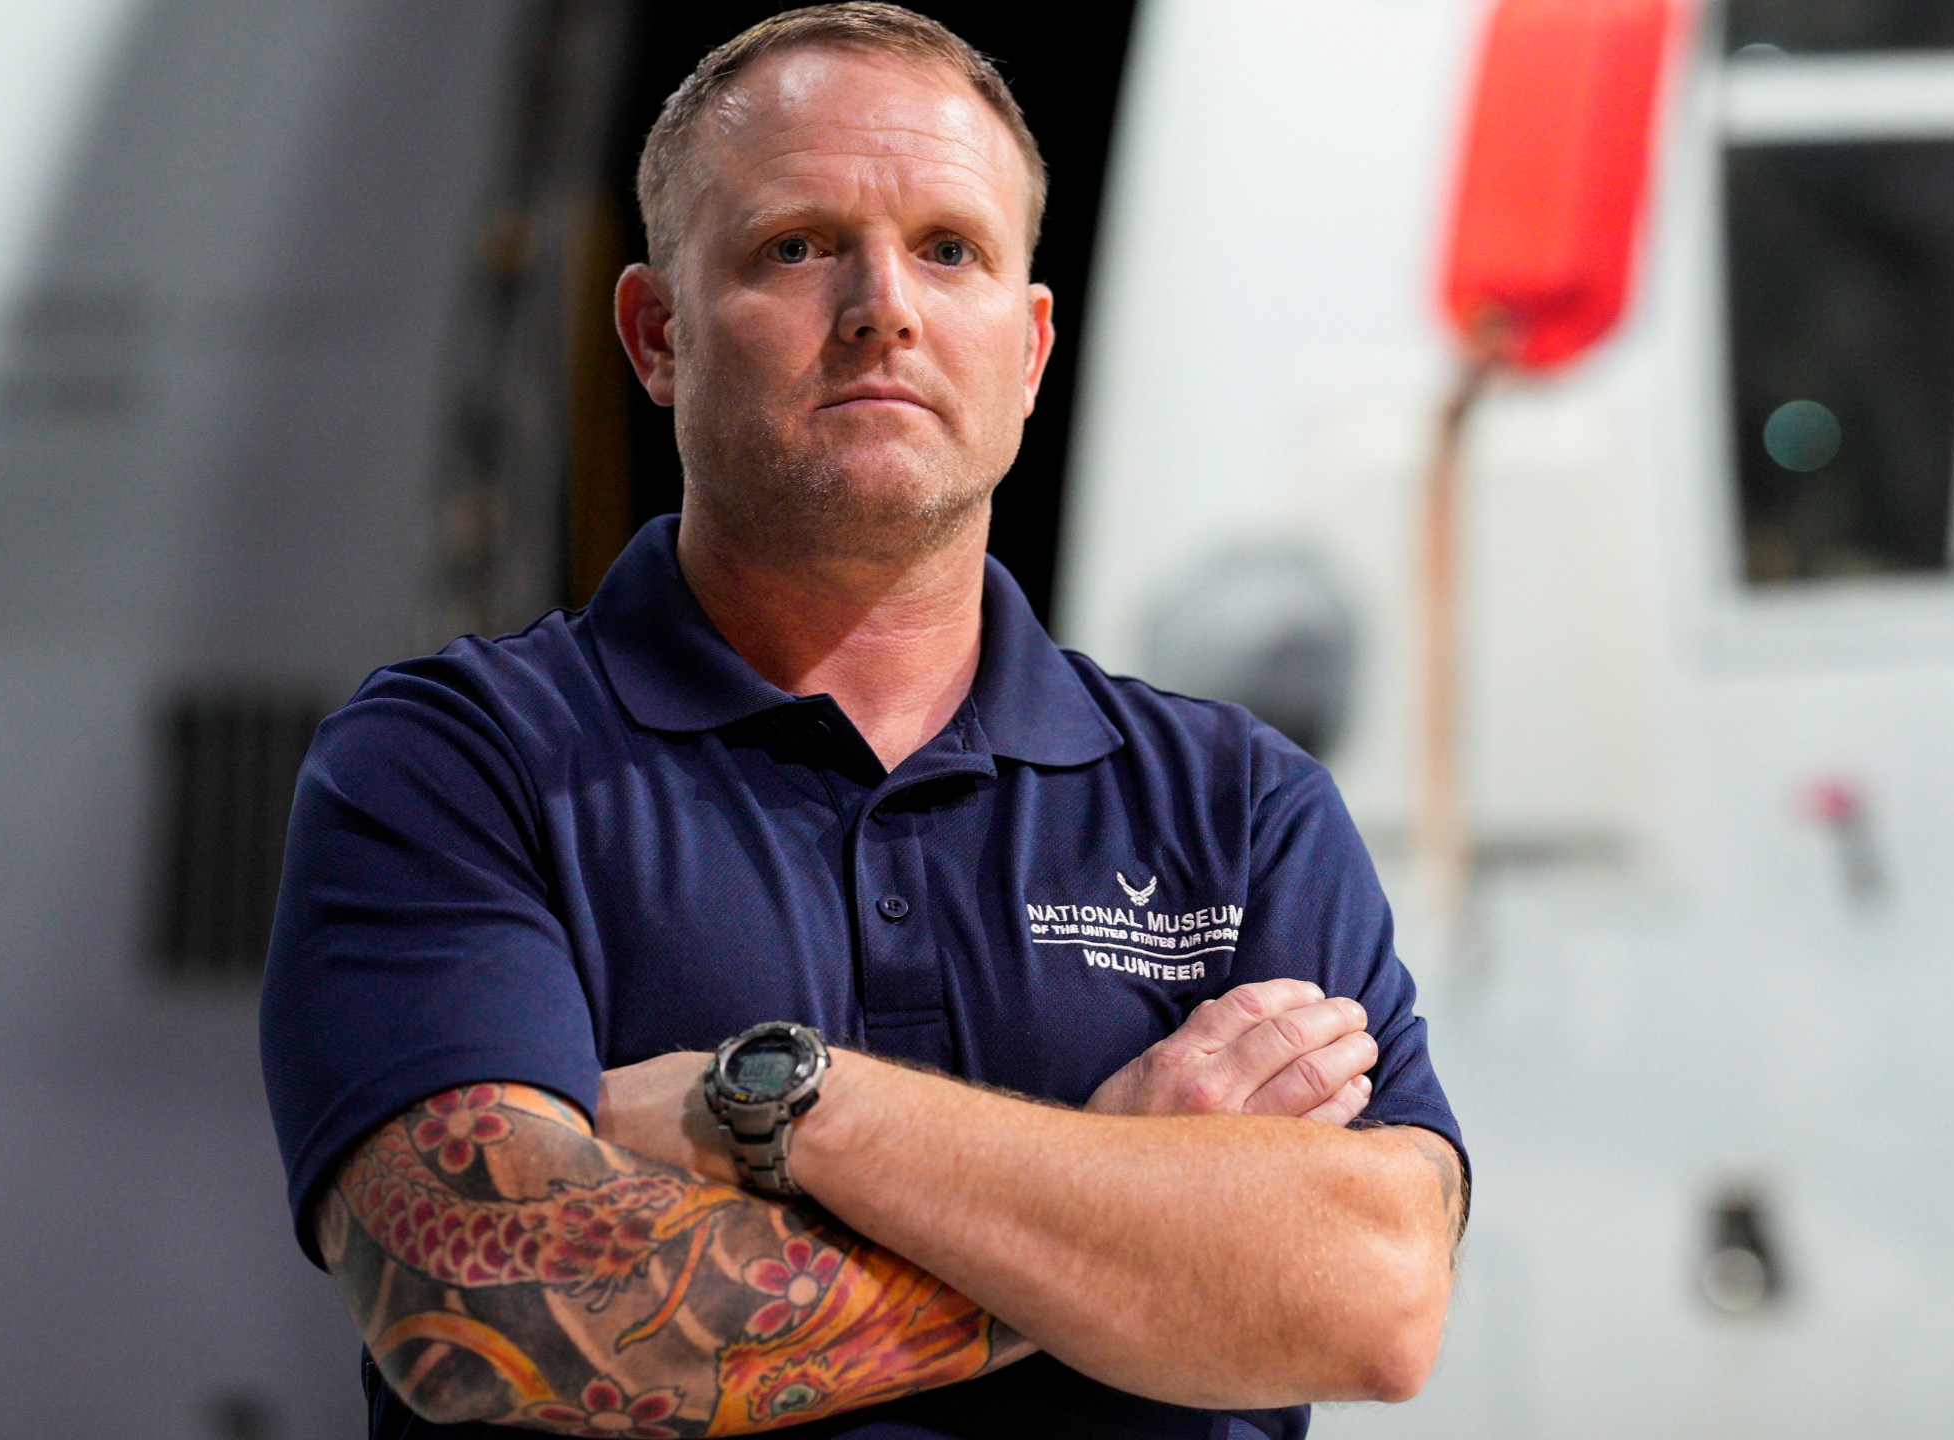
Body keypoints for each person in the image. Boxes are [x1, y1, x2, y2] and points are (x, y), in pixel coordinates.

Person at [260, 6, 1465, 1437]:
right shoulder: (461, 764)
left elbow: (1376, 1298)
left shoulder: (1238, 809)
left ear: (1028, 351)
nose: (882, 303)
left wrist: (787, 1112)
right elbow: (496, 1317)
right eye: (796, 246)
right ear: (656, 335)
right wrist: (1129, 1198)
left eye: (949, 249)